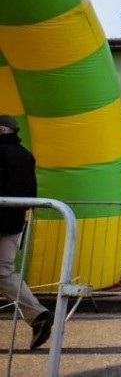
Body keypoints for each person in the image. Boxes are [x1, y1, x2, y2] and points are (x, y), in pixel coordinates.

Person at [0, 115, 53, 351]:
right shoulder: (25, 155)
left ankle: (38, 315)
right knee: (3, 272)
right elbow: (31, 194)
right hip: (13, 223)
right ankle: (38, 314)